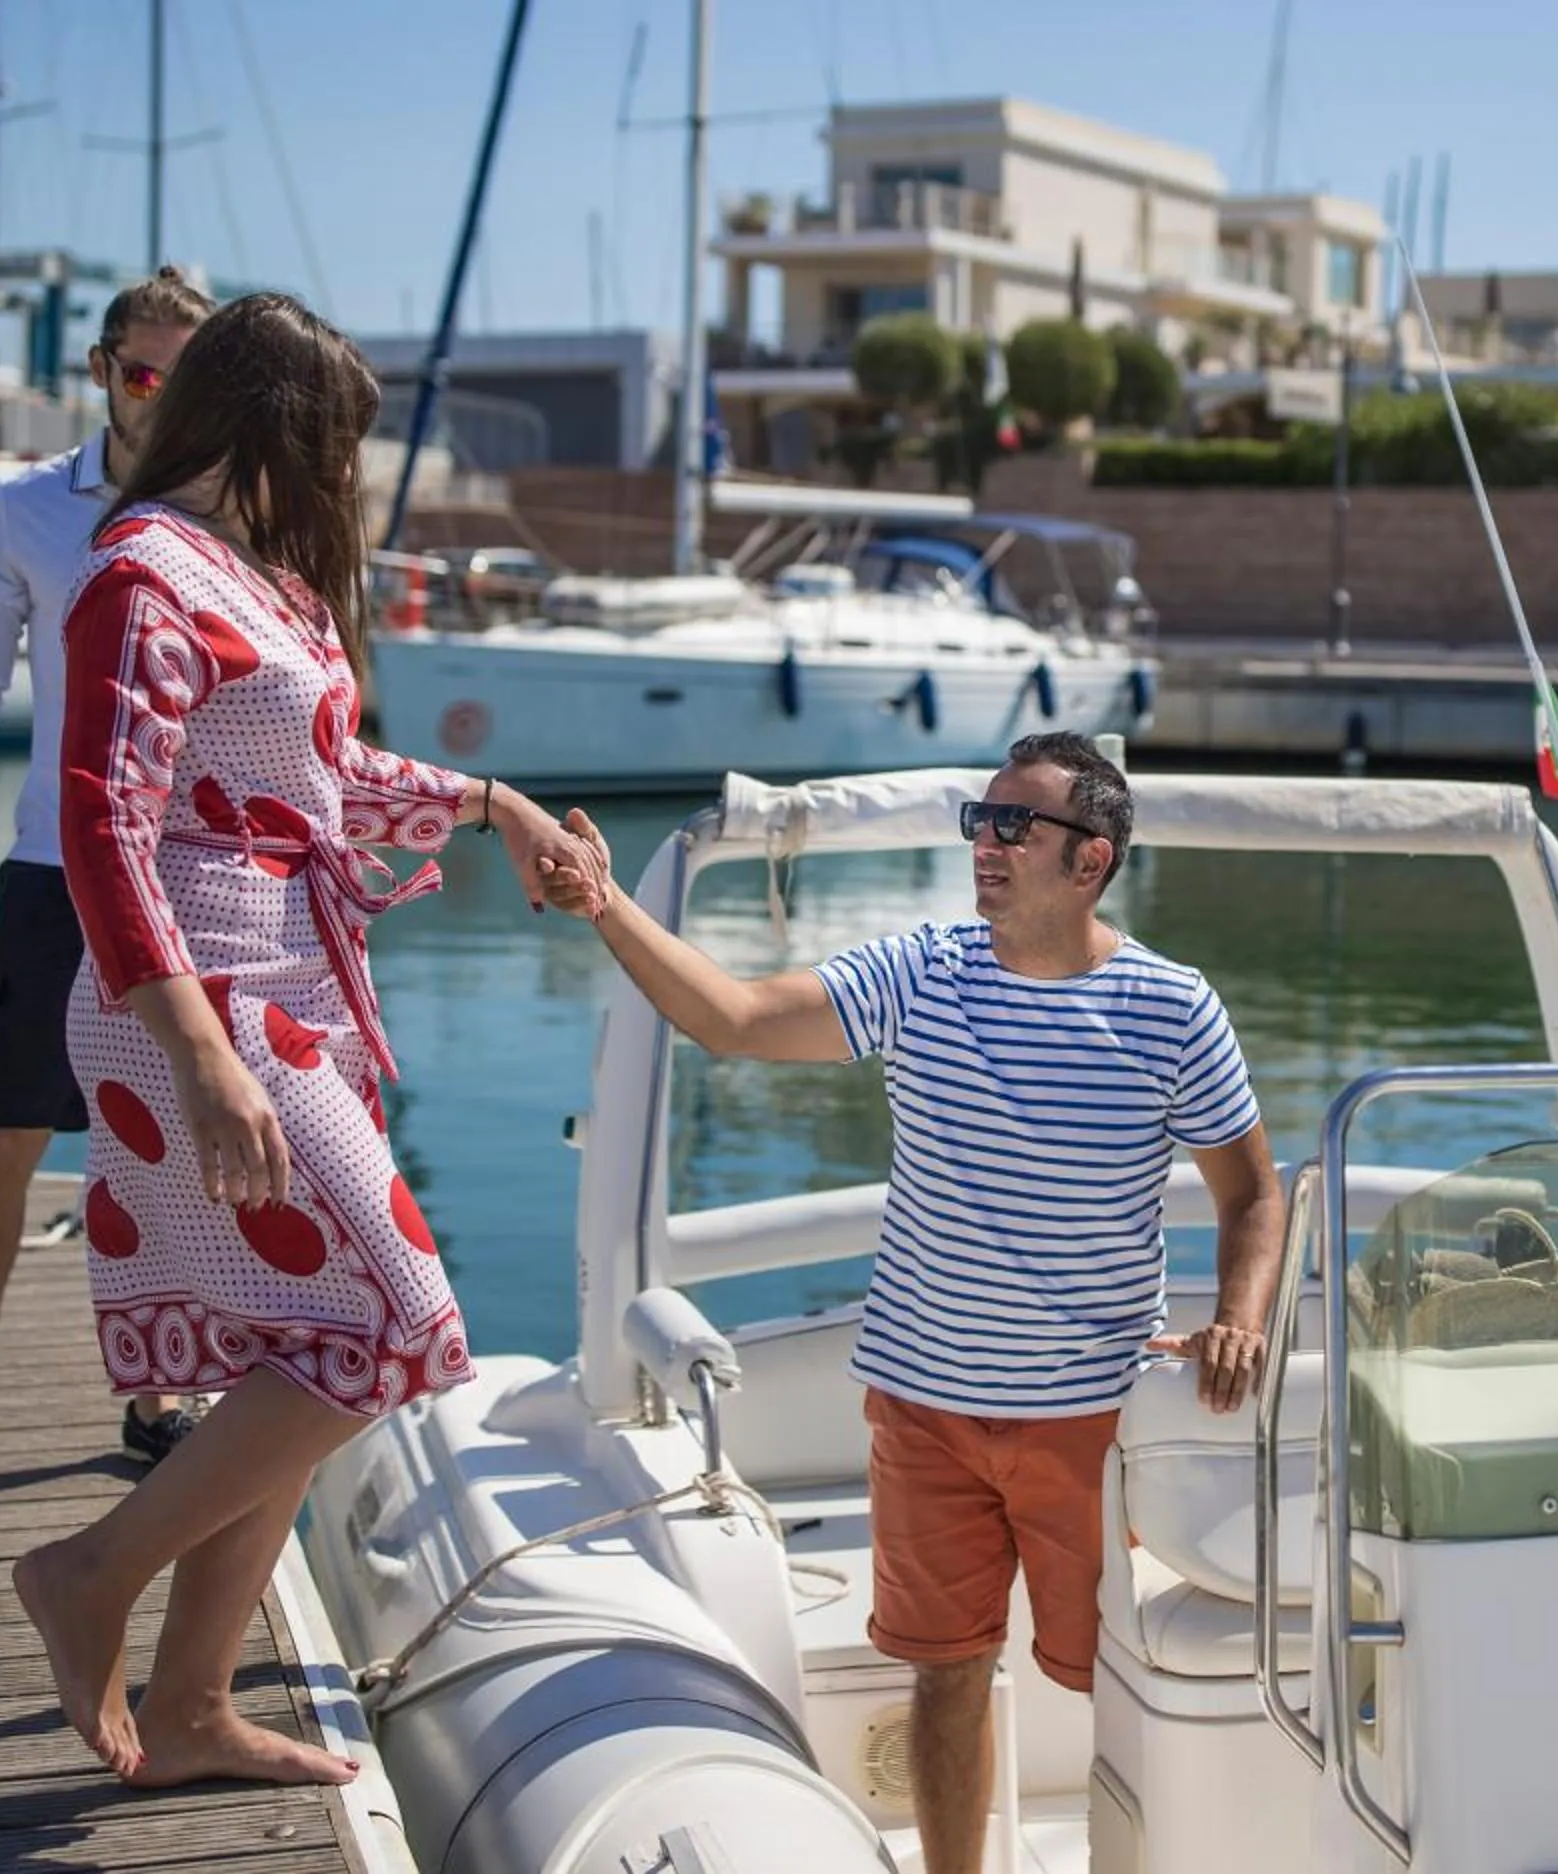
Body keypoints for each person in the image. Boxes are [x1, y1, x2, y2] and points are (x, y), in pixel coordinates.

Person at [11, 291, 601, 1786]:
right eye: (338, 441)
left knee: (308, 1343)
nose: (349, 474)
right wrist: (205, 1056)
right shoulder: (140, 575)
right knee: (401, 1325)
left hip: (294, 983)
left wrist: (492, 804)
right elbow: (101, 823)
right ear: (275, 425)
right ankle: (89, 1573)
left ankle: (198, 1699)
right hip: (196, 998)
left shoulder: (269, 583)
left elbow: (323, 780)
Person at [540, 734, 1286, 1874]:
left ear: (1091, 860)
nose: (983, 846)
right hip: (923, 1409)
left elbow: (1252, 1195)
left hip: (1090, 1417)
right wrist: (604, 905)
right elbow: (736, 1015)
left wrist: (1241, 1312)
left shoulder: (1172, 1008)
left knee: (1118, 1673)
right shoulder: (922, 971)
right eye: (978, 821)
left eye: (1012, 827)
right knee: (944, 1671)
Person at [0, 267, 219, 1511]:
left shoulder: (238, 506)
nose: (165, 398)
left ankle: (158, 1400)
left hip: (197, 884)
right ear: (102, 370)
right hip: (53, 876)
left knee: (177, 1150)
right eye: (144, 371)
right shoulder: (27, 510)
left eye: (195, 376)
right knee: (1, 1145)